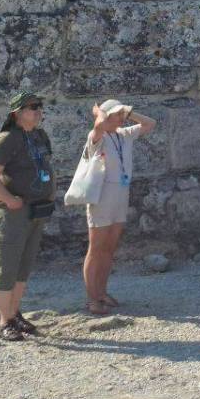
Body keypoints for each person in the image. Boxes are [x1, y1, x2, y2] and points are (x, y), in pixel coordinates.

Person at [0, 92, 54, 342]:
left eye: (39, 106)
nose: (38, 110)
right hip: (13, 212)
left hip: (36, 209)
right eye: (32, 107)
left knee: (23, 266)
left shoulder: (38, 136)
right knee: (7, 267)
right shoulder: (8, 139)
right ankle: (5, 321)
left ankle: (14, 313)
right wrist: (10, 200)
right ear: (17, 113)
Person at [80, 98, 159, 315]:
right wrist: (100, 114)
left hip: (120, 194)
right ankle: (92, 298)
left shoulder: (124, 134)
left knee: (109, 248)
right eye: (116, 115)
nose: (120, 118)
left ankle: (102, 292)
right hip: (102, 195)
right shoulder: (97, 136)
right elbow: (98, 127)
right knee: (96, 248)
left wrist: (129, 112)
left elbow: (150, 123)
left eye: (121, 114)